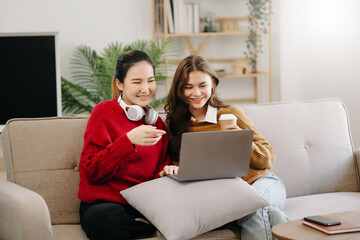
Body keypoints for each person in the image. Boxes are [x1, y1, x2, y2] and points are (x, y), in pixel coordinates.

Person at [164, 55, 288, 240]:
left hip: (263, 183)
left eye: (202, 85)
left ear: (213, 83)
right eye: (188, 87)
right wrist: (172, 169)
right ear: (179, 89)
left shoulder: (231, 114)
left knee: (252, 206)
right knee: (264, 212)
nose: (196, 93)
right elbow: (180, 168)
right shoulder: (174, 125)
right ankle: (281, 223)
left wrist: (242, 141)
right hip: (227, 195)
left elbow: (267, 159)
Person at [78, 50, 177, 240]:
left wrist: (166, 172)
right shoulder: (103, 113)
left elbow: (158, 170)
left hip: (142, 204)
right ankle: (149, 230)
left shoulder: (156, 123)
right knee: (101, 219)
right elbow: (91, 172)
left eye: (150, 80)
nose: (146, 88)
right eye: (137, 82)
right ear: (120, 83)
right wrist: (127, 140)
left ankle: (149, 224)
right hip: (105, 205)